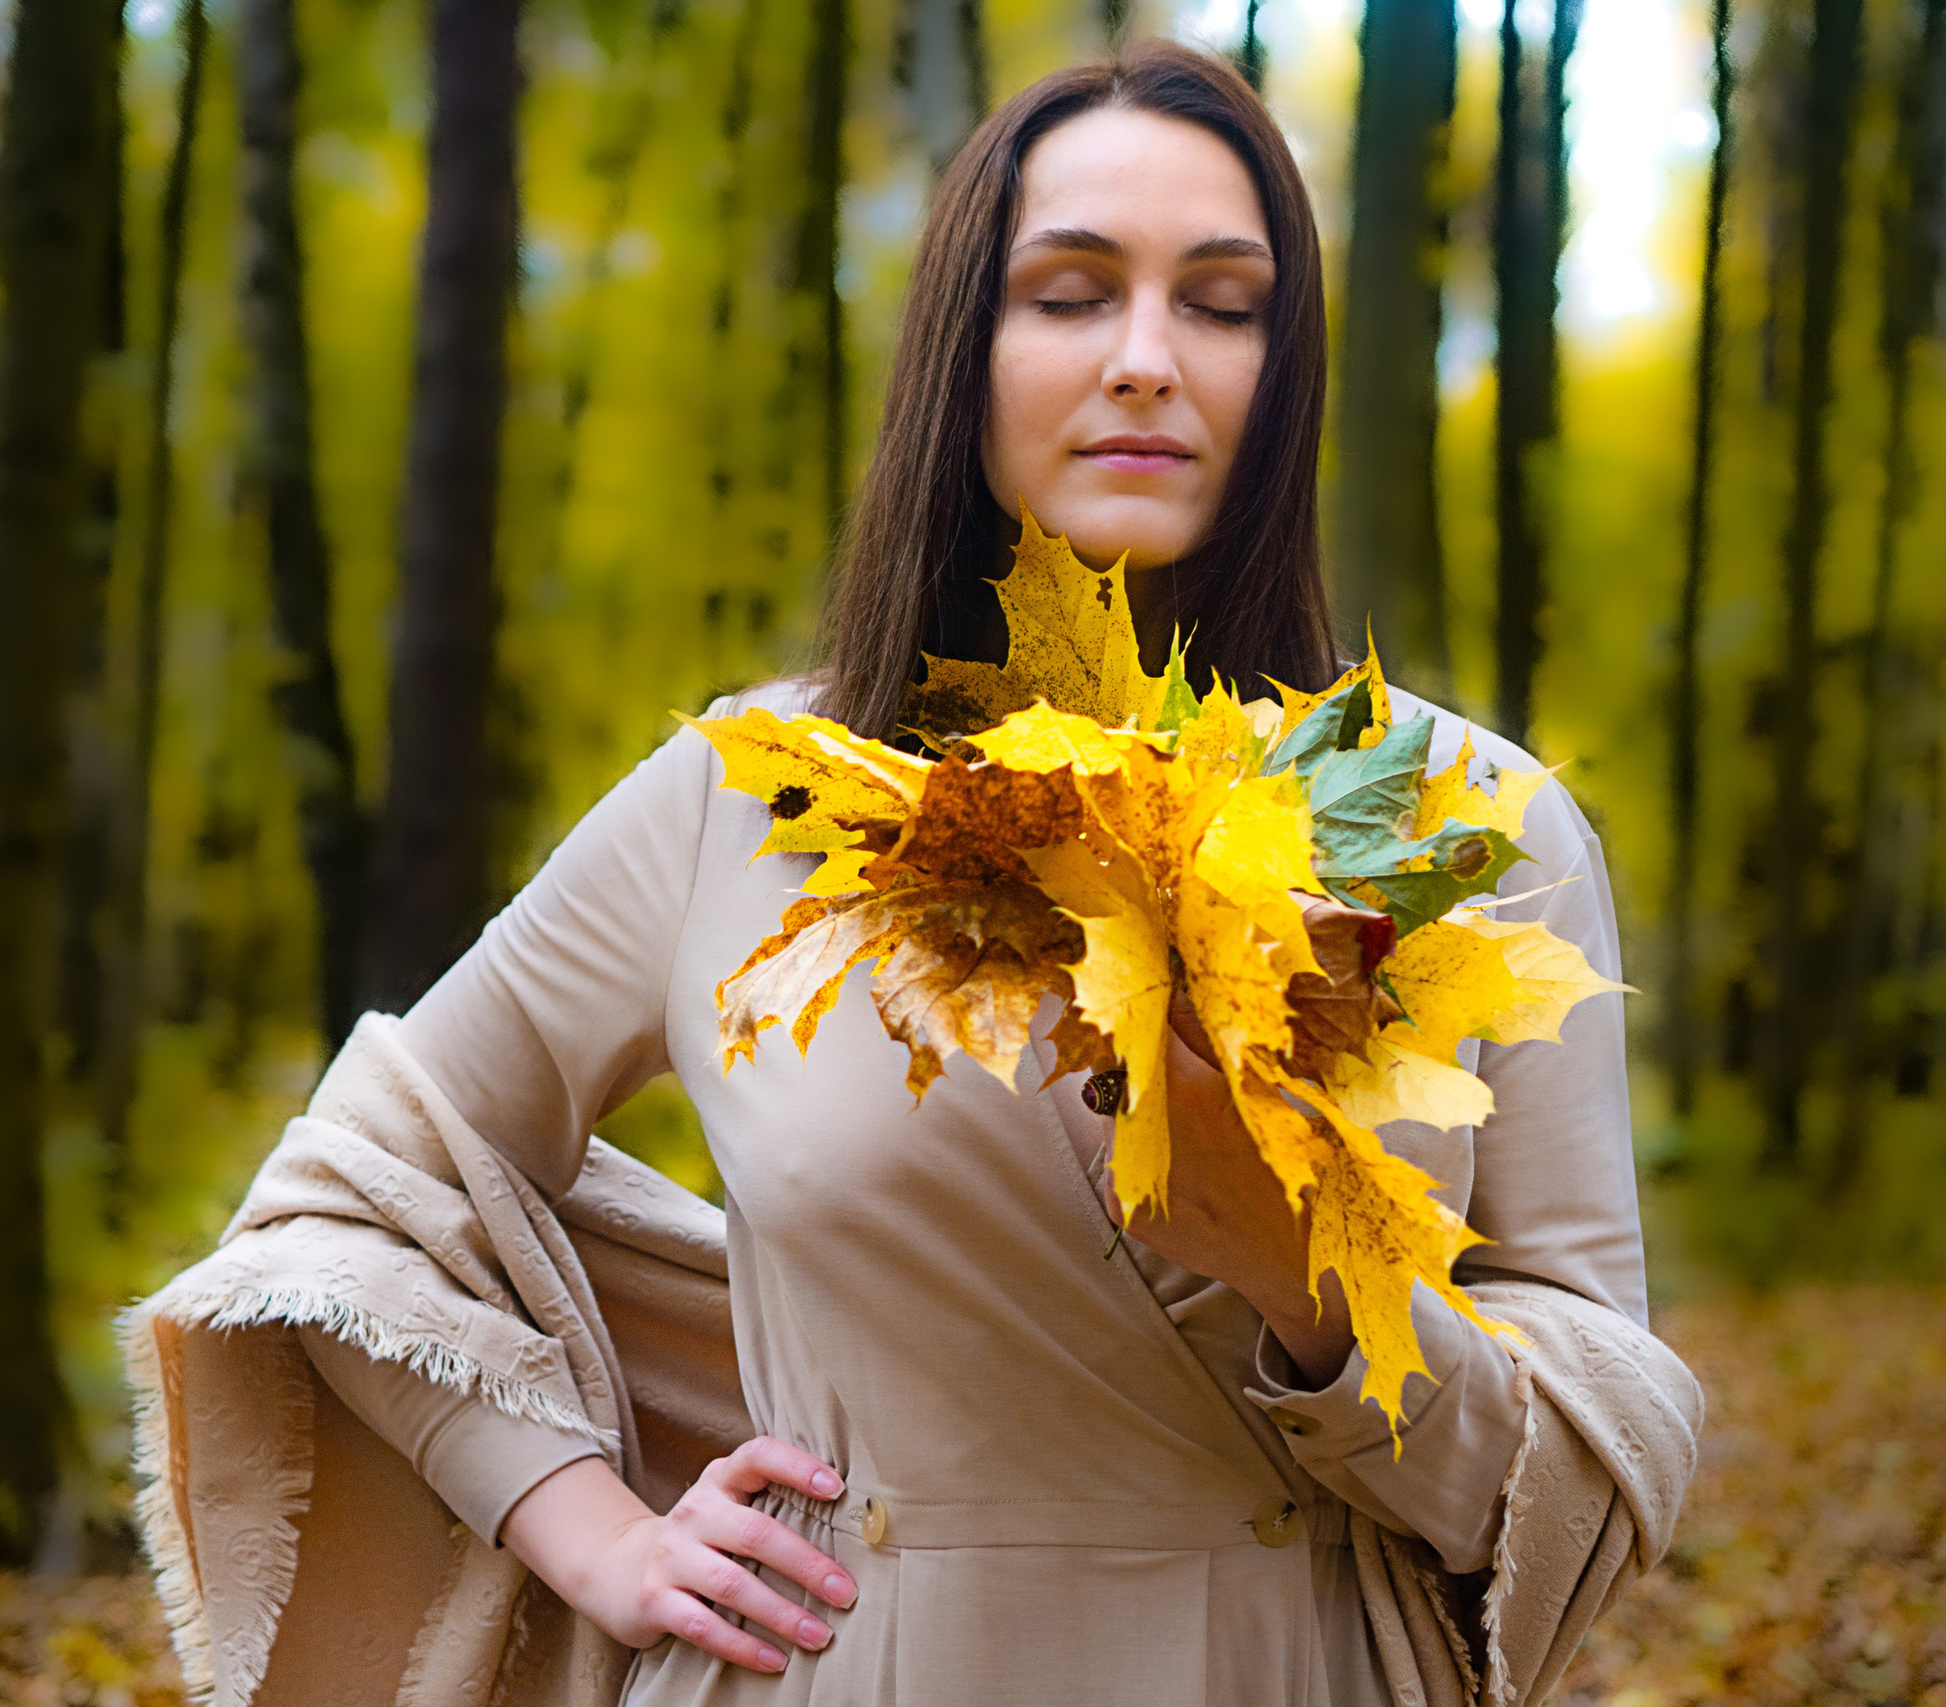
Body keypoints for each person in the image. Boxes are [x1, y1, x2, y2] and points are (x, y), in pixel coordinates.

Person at [124, 40, 1701, 1707]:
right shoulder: (750, 796)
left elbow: (1604, 1459)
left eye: (1224, 304)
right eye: (1070, 293)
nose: (1150, 361)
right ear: (967, 348)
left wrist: (1315, 1285)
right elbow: (354, 1202)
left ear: (1287, 369)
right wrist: (586, 1527)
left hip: (1290, 1657)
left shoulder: (1469, 820)